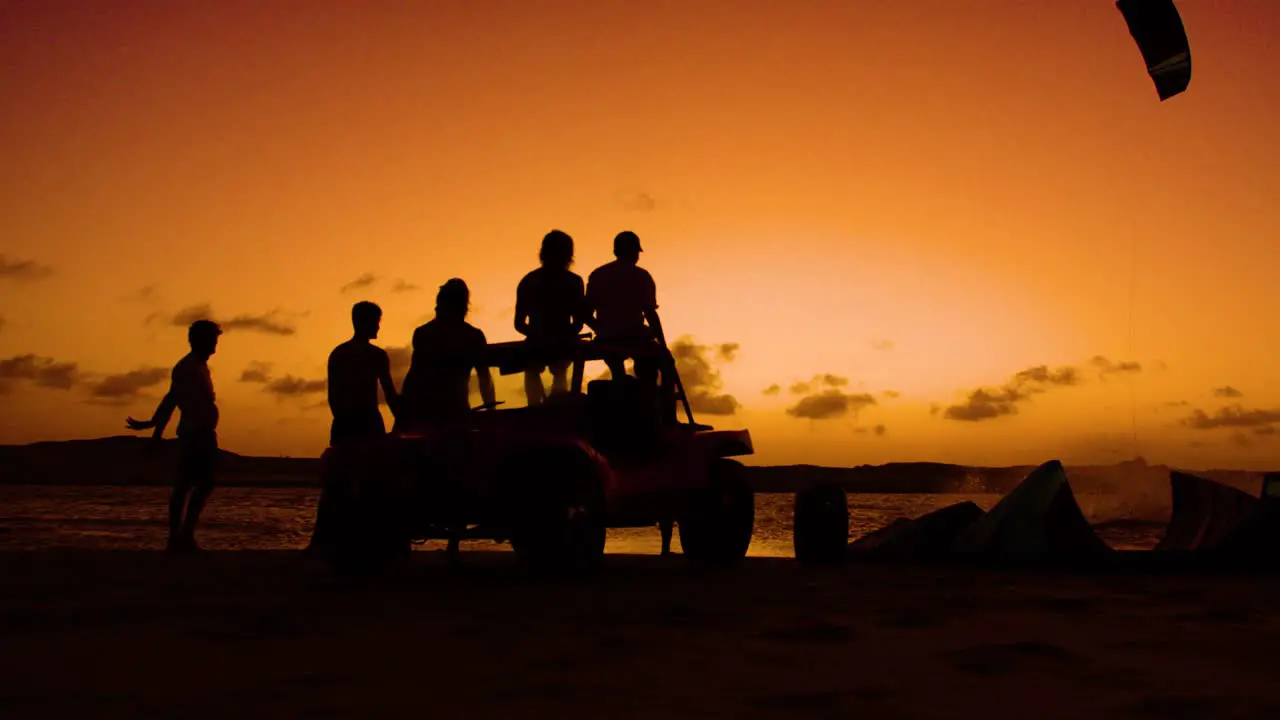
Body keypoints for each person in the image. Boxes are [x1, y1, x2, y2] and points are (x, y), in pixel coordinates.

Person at [307, 301, 399, 554]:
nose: (378, 326)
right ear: (363, 322)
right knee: (338, 484)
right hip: (353, 423)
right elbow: (336, 395)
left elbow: (389, 393)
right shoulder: (343, 354)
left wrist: (401, 418)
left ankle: (363, 541)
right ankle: (323, 542)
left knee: (369, 483)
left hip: (366, 421)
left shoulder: (374, 355)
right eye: (375, 321)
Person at [125, 319, 222, 553]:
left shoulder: (199, 366)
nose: (214, 348)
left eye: (215, 342)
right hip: (194, 434)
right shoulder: (187, 367)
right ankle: (179, 537)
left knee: (200, 484)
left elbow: (171, 398)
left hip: (203, 433)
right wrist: (156, 431)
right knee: (187, 484)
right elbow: (172, 400)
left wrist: (153, 423)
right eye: (211, 342)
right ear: (197, 341)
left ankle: (182, 536)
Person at [584, 231, 676, 419]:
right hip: (635, 337)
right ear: (633, 251)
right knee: (667, 365)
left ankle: (629, 405)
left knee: (619, 371)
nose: (637, 256)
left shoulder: (598, 275)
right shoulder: (641, 276)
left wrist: (599, 328)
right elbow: (650, 313)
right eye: (636, 252)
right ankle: (668, 418)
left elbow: (585, 313)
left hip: (607, 338)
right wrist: (661, 342)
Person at [398, 278, 496, 427]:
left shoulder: (424, 333)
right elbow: (485, 379)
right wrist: (491, 410)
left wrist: (403, 414)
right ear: (464, 305)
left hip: (430, 413)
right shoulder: (473, 336)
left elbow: (414, 377)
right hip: (453, 412)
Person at [514, 229, 586, 405]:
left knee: (533, 373)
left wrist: (539, 334)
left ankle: (534, 408)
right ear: (569, 255)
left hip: (536, 343)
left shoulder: (529, 280)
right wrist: (562, 335)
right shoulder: (574, 282)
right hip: (563, 344)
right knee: (560, 376)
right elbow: (578, 322)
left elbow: (518, 323)